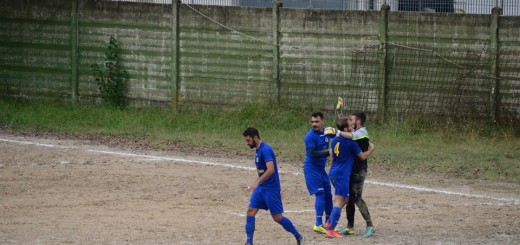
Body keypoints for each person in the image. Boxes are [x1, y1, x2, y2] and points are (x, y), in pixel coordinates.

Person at [242, 127, 305, 245]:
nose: (247, 143)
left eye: (248, 140)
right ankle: (249, 242)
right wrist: (258, 184)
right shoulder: (258, 149)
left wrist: (257, 182)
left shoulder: (265, 149)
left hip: (271, 189)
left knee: (277, 217)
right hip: (261, 189)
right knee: (250, 211)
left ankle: (299, 236)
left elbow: (270, 170)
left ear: (255, 137)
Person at [324, 116, 375, 239]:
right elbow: (362, 156)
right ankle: (331, 229)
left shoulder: (336, 140)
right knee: (341, 200)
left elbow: (331, 155)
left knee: (346, 199)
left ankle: (330, 222)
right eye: (350, 123)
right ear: (347, 128)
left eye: (353, 121)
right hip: (342, 174)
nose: (353, 124)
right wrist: (371, 149)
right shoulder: (351, 142)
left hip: (333, 172)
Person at [303, 112, 334, 234]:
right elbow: (312, 154)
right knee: (320, 194)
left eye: (316, 122)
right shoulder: (310, 136)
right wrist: (328, 152)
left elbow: (340, 132)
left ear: (323, 121)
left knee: (328, 195)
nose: (314, 124)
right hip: (311, 169)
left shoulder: (327, 132)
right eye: (312, 122)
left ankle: (329, 223)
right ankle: (318, 224)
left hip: (321, 170)